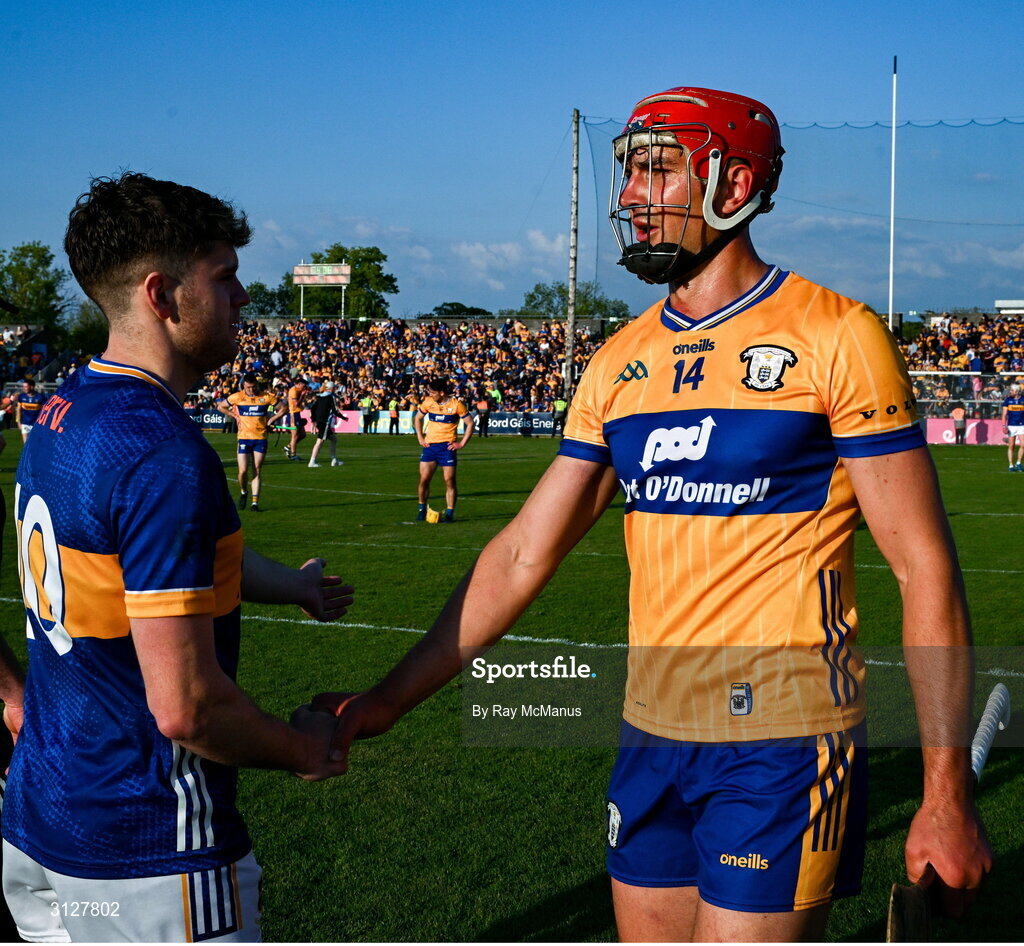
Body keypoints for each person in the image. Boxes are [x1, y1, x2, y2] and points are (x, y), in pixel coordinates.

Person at [313, 87, 990, 943]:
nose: (631, 193)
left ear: (734, 183)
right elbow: (523, 553)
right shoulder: (618, 361)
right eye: (630, 169)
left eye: (657, 169)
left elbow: (922, 565)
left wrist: (943, 796)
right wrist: (386, 702)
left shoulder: (838, 337)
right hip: (648, 739)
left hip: (782, 743)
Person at [0, 172, 353, 943]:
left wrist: (290, 585)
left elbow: (163, 560)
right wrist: (304, 749)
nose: (242, 298)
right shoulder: (162, 452)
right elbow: (186, 708)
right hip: (147, 846)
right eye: (223, 278)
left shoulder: (65, 407)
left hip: (39, 819)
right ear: (164, 296)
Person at [217, 372, 286, 511]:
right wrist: (234, 415)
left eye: (253, 387)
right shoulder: (237, 396)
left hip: (260, 438)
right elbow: (220, 406)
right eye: (248, 387)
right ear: (244, 386)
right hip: (244, 438)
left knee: (257, 469)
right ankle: (244, 491)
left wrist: (271, 420)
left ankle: (255, 503)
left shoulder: (266, 397)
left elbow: (283, 408)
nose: (251, 390)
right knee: (242, 471)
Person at [413, 378, 473, 523]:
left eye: (433, 392)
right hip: (430, 447)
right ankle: (421, 509)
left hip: (447, 448)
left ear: (442, 392)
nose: (430, 394)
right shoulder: (428, 402)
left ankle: (450, 513)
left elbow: (470, 423)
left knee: (449, 481)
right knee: (424, 480)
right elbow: (417, 418)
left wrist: (462, 443)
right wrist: (420, 437)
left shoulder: (456, 405)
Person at [308, 380, 346, 467]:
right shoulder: (330, 398)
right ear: (331, 389)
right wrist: (343, 418)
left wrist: (313, 420)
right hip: (325, 423)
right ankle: (312, 461)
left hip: (319, 422)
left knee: (334, 439)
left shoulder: (320, 397)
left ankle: (334, 460)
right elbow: (335, 411)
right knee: (319, 441)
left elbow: (313, 409)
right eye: (334, 388)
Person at [13, 378, 45, 444]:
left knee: (35, 444)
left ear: (32, 387)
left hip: (36, 424)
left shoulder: (41, 397)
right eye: (23, 386)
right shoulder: (21, 397)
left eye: (25, 386)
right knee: (26, 445)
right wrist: (18, 422)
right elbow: (18, 410)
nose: (23, 388)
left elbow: (45, 411)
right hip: (25, 423)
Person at [284, 375, 309, 460]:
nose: (304, 387)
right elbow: (296, 404)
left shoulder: (298, 390)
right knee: (294, 436)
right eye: (303, 385)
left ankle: (288, 447)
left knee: (303, 434)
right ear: (299, 384)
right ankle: (293, 455)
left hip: (297, 413)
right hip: (293, 414)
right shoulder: (293, 391)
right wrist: (302, 395)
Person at [1001, 383, 1024, 470]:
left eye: (1012, 390)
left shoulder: (1023, 400)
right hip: (1011, 425)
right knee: (1011, 445)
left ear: (1017, 391)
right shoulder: (1007, 400)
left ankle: (1018, 462)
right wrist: (1004, 425)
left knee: (1023, 444)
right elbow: (1004, 414)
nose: (1010, 392)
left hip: (1022, 425)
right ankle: (1011, 464)